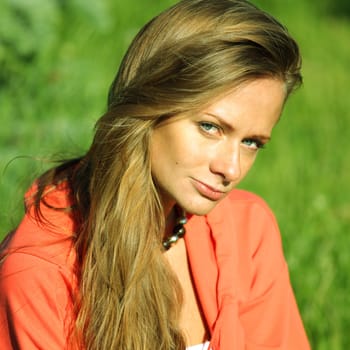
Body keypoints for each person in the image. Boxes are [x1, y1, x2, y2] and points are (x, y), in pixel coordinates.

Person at [0, 0, 311, 349]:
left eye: (252, 142)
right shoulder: (43, 271)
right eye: (209, 127)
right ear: (147, 107)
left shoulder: (246, 231)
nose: (231, 168)